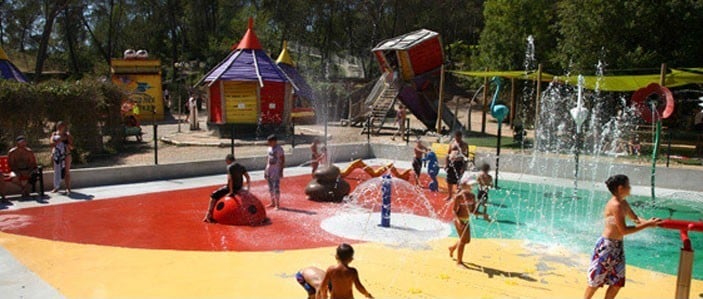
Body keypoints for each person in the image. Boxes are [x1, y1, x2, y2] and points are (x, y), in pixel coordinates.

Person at [584, 174, 662, 299]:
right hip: (607, 246)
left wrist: (649, 221)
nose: (630, 188)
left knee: (617, 282)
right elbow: (624, 230)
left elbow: (635, 218)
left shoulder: (623, 203)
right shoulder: (616, 205)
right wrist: (647, 225)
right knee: (595, 281)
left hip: (617, 247)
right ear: (621, 188)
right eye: (628, 185)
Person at [203, 154, 250, 223]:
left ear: (228, 160)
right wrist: (247, 189)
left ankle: (209, 214)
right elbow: (248, 177)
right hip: (239, 187)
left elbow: (230, 180)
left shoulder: (230, 167)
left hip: (232, 188)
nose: (226, 162)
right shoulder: (241, 166)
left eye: (226, 161)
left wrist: (230, 191)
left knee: (213, 195)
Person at [448, 177, 476, 267]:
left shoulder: (472, 196)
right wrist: (459, 221)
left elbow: (473, 211)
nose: (472, 186)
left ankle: (452, 248)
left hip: (466, 220)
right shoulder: (459, 196)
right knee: (463, 241)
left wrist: (483, 214)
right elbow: (454, 211)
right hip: (459, 220)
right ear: (464, 185)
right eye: (470, 185)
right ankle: (459, 262)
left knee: (466, 240)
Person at [50, 121, 73, 195]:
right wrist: (57, 141)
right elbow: (51, 143)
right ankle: (56, 187)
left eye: (62, 126)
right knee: (56, 171)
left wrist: (65, 140)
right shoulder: (54, 134)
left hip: (66, 154)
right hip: (57, 155)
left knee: (66, 171)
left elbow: (71, 145)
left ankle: (68, 188)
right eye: (59, 126)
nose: (60, 128)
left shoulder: (67, 134)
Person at [445, 131, 468, 201]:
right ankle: (449, 195)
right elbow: (448, 154)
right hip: (452, 163)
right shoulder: (452, 144)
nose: (458, 138)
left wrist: (464, 167)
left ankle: (458, 196)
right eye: (457, 136)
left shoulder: (464, 145)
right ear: (455, 136)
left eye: (459, 136)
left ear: (461, 137)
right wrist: (446, 165)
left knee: (459, 180)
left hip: (459, 163)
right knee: (449, 180)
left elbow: (466, 156)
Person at [265, 134, 285, 209]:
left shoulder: (279, 149)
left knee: (276, 187)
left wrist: (281, 170)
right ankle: (272, 202)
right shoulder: (269, 148)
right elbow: (267, 159)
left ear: (274, 141)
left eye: (270, 142)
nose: (269, 143)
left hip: (276, 170)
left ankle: (277, 204)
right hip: (269, 170)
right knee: (270, 187)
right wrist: (265, 170)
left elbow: (283, 160)